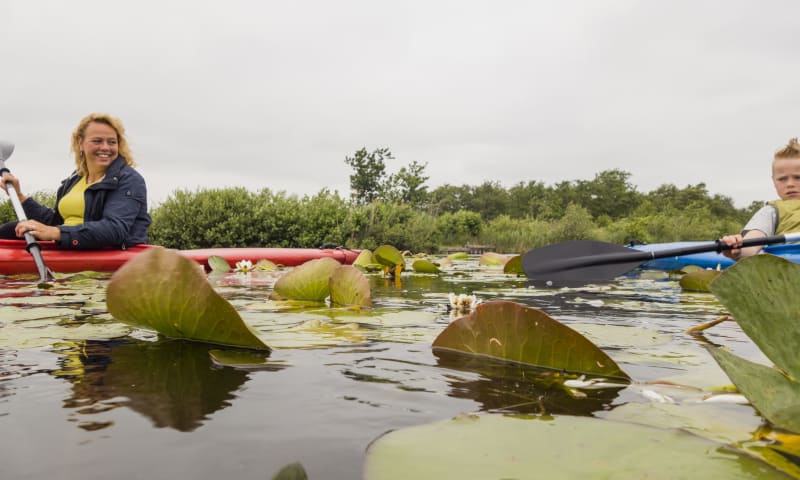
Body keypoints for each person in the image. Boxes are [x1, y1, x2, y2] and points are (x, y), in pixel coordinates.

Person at [0, 113, 151, 249]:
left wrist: (56, 232)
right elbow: (54, 222)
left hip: (106, 254)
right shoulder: (75, 179)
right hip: (67, 249)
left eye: (112, 142)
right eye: (97, 141)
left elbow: (114, 229)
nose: (105, 147)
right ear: (81, 143)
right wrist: (19, 196)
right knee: (10, 229)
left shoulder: (130, 180)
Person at [720, 137, 800, 260]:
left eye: (798, 177)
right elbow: (753, 242)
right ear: (774, 181)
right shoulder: (771, 211)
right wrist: (737, 249)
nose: (790, 184)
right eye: (782, 179)